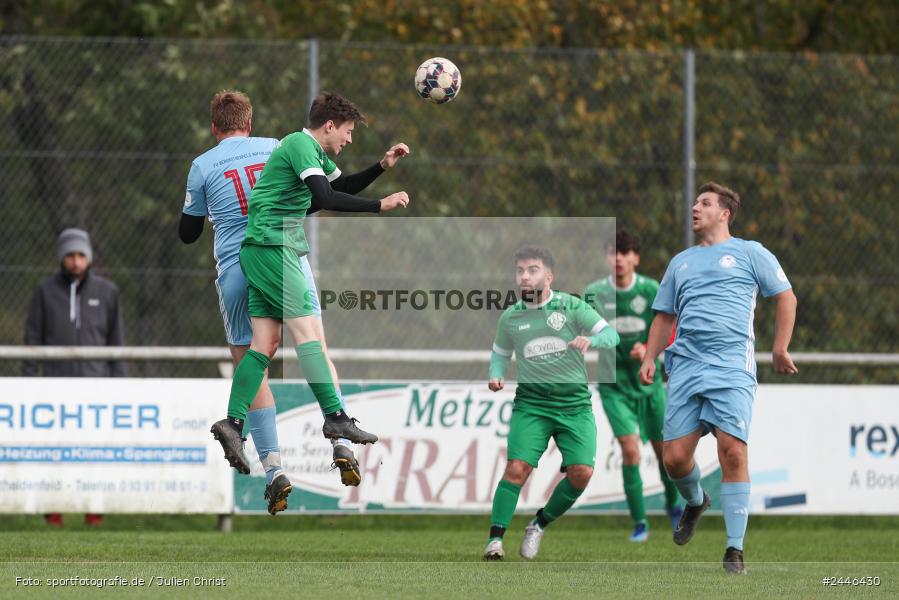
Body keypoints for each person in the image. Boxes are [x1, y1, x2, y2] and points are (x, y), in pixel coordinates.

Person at [182, 90, 409, 514]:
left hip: (246, 254)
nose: (349, 139)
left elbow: (336, 185)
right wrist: (380, 205)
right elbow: (324, 198)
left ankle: (238, 428)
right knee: (310, 337)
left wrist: (381, 168)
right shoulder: (287, 143)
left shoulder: (212, 162)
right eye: (347, 131)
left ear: (216, 127)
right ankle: (338, 423)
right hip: (275, 248)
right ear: (329, 126)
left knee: (262, 346)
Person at [639, 182, 798, 574]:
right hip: (686, 367)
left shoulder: (750, 252)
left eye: (704, 203)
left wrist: (780, 347)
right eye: (695, 201)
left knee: (732, 450)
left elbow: (786, 296)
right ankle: (696, 501)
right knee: (674, 459)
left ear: (724, 213)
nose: (695, 207)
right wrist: (649, 355)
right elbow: (664, 317)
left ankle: (734, 549)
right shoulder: (681, 262)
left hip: (731, 368)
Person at [483, 246, 620, 561]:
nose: (524, 276)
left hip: (574, 406)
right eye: (520, 271)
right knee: (517, 468)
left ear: (549, 276)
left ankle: (538, 524)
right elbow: (500, 353)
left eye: (532, 270)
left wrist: (592, 340)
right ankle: (495, 541)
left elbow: (612, 335)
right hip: (532, 405)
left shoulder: (572, 306)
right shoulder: (511, 317)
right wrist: (495, 374)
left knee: (581, 473)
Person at [24, 228, 127, 527]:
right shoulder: (44, 291)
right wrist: (31, 382)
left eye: (81, 255)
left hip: (96, 387)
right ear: (62, 257)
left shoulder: (108, 292)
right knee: (54, 448)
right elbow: (33, 339)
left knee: (95, 450)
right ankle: (53, 509)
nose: (76, 261)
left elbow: (116, 343)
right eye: (70, 255)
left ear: (89, 258)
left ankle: (94, 509)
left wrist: (120, 385)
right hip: (54, 387)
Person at [584, 231, 682, 543]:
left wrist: (649, 349)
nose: (618, 259)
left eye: (625, 253)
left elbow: (672, 329)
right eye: (613, 252)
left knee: (665, 453)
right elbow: (581, 327)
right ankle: (640, 523)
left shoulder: (652, 289)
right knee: (630, 450)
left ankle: (673, 505)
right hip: (614, 386)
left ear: (636, 258)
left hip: (650, 385)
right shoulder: (594, 293)